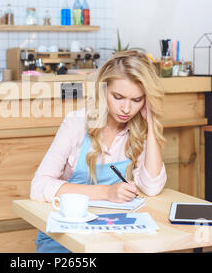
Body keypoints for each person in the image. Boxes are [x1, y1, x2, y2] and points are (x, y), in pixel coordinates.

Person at [30, 50, 168, 253]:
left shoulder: (138, 132)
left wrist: (152, 124)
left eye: (137, 100)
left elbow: (152, 187)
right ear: (103, 90)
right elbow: (39, 186)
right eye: (118, 97)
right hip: (66, 237)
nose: (126, 109)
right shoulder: (76, 123)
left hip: (112, 235)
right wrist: (107, 192)